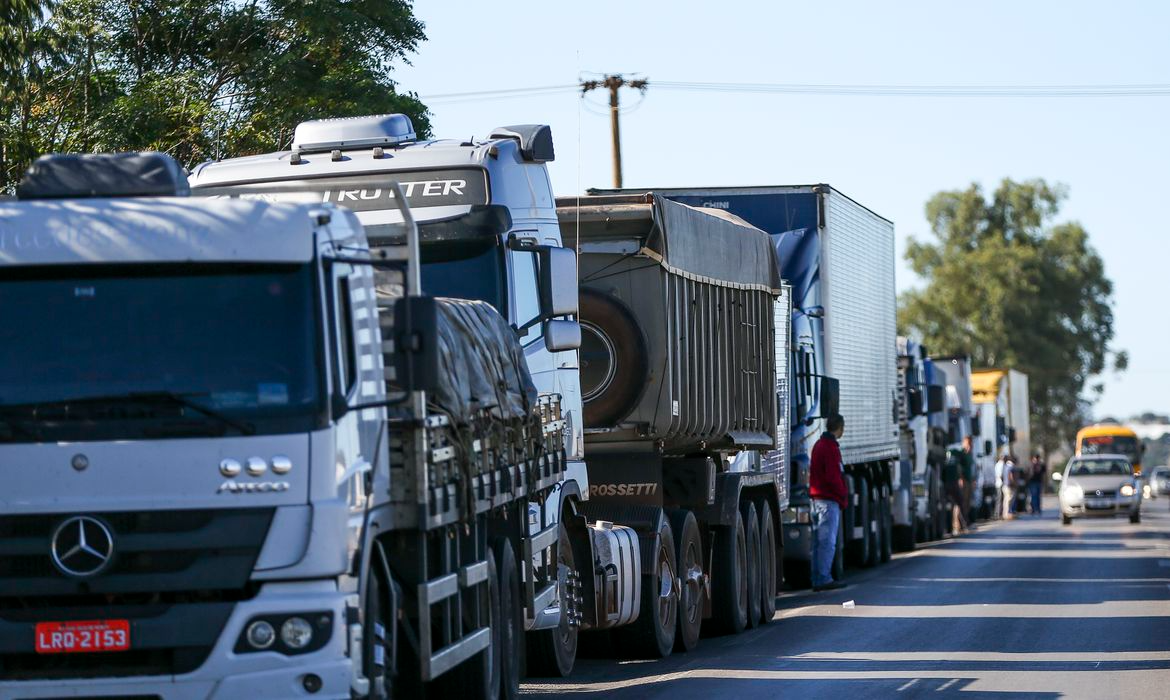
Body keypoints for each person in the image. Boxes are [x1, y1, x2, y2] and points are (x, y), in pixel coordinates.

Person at [809, 414, 848, 591]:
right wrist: (843, 496)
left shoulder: (818, 445)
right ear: (839, 428)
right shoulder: (831, 447)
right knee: (828, 542)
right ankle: (824, 578)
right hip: (828, 501)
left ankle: (817, 578)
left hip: (816, 500)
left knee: (818, 543)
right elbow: (833, 477)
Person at [943, 446, 968, 534]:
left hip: (945, 485)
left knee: (950, 506)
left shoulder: (946, 461)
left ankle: (952, 527)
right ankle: (962, 525)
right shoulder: (957, 460)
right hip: (953, 485)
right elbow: (960, 471)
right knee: (960, 503)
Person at [959, 436, 977, 526]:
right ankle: (958, 525)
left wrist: (973, 480)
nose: (970, 446)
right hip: (964, 481)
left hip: (969, 481)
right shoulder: (962, 453)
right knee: (961, 502)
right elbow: (959, 468)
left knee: (967, 502)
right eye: (968, 443)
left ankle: (965, 521)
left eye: (971, 443)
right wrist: (961, 479)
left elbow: (972, 468)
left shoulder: (970, 454)